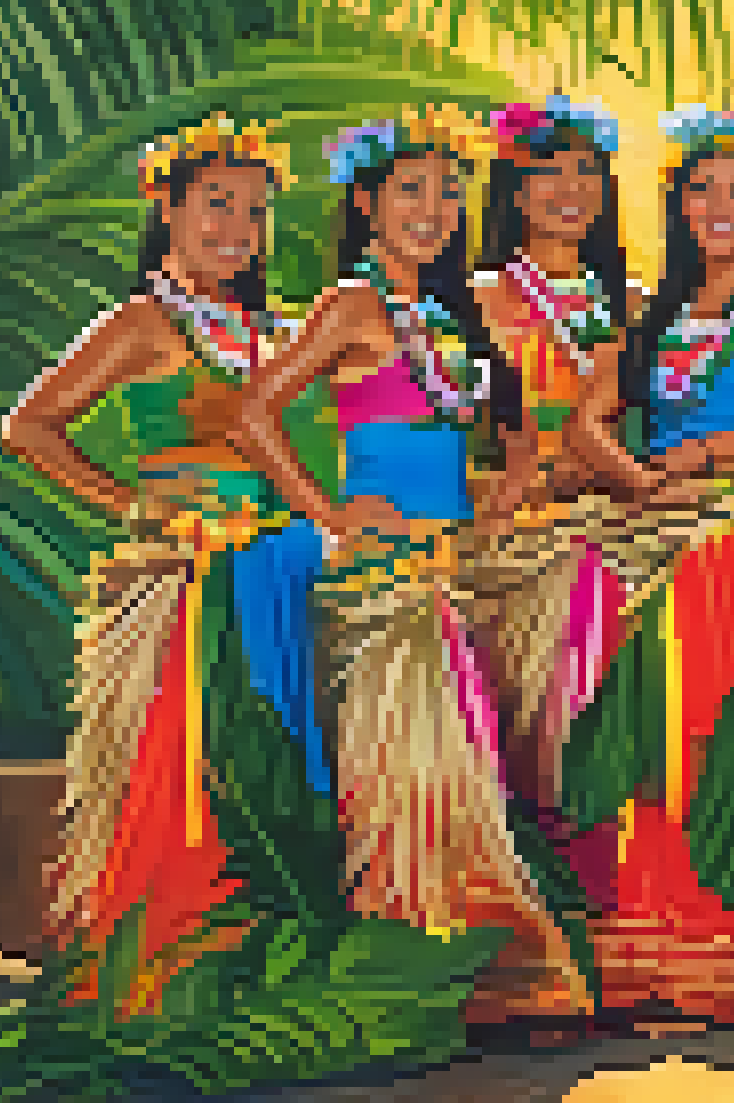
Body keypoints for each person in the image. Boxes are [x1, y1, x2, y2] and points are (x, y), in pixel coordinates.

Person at [236, 108, 593, 1027]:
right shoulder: (350, 306)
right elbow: (255, 414)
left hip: (454, 567)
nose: (430, 210)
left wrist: (502, 492)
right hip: (384, 577)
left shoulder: (452, 313)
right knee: (412, 762)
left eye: (446, 192)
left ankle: (471, 961)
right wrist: (328, 513)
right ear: (366, 202)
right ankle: (416, 945)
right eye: (409, 191)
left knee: (470, 756)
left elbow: (514, 435)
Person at [3, 116, 332, 1013]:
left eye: (255, 212)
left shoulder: (273, 330)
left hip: (285, 569)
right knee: (201, 755)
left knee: (285, 748)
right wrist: (127, 501)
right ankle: (187, 950)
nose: (236, 227)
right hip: (190, 580)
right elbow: (28, 425)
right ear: (168, 209)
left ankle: (278, 934)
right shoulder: (143, 325)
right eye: (215, 205)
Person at [552, 109, 734, 1022]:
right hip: (656, 523)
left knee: (718, 700)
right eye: (702, 190)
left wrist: (715, 458)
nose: (722, 206)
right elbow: (587, 421)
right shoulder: (648, 309)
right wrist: (636, 482)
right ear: (676, 205)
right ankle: (649, 943)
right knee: (629, 698)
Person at [468, 96, 638, 822]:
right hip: (507, 522)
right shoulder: (474, 299)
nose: (571, 191)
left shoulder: (633, 302)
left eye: (585, 173)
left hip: (616, 514)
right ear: (513, 191)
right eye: (549, 174)